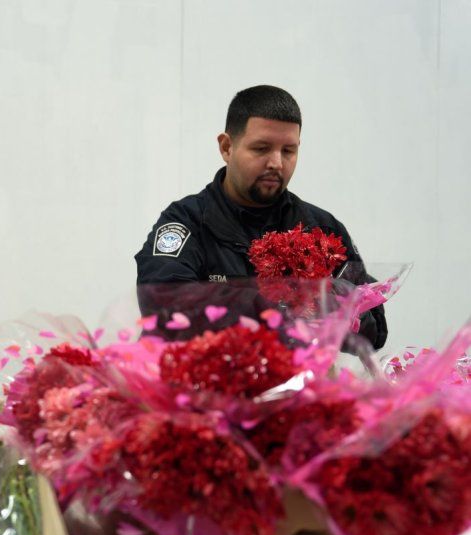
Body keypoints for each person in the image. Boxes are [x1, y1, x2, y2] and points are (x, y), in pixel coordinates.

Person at [135, 85, 387, 349]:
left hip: (298, 386)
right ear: (226, 147)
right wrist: (280, 306)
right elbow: (164, 309)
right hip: (206, 386)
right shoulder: (187, 222)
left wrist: (330, 307)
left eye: (288, 151)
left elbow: (376, 330)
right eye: (261, 148)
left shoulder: (322, 229)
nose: (276, 163)